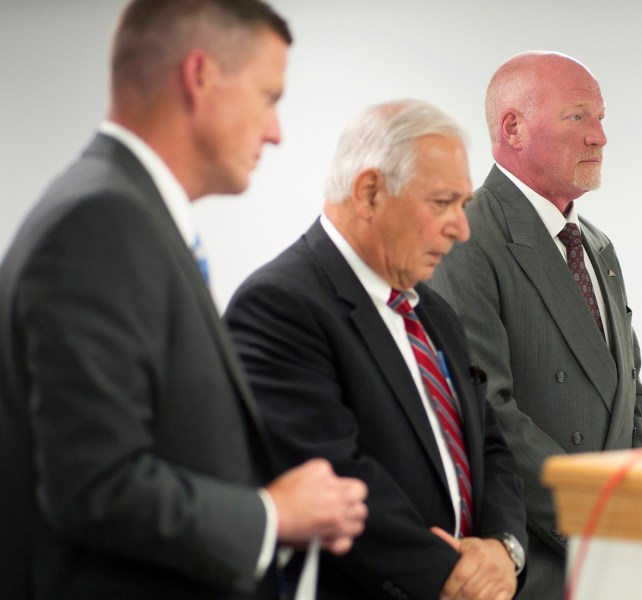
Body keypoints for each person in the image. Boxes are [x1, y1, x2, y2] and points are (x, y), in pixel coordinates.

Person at [0, 2, 368, 599]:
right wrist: (271, 516)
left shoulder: (125, 214)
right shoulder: (101, 222)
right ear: (199, 76)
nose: (276, 131)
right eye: (269, 96)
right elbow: (97, 485)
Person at [224, 99, 528, 600]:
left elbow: (490, 449)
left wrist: (502, 550)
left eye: (464, 204)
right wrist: (451, 575)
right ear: (369, 192)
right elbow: (332, 474)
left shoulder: (434, 312)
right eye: (442, 203)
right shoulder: (280, 304)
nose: (461, 228)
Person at [428, 50, 642, 600]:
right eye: (578, 116)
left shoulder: (598, 246)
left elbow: (633, 393)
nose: (599, 136)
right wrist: (594, 518)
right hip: (540, 560)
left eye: (601, 118)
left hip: (617, 556)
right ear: (513, 127)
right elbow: (488, 412)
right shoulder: (465, 235)